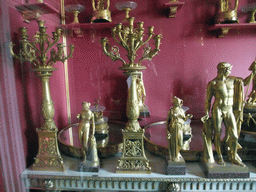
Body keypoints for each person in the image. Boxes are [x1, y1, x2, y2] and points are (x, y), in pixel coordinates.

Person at [202, 62, 245, 167]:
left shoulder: (233, 81)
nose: (230, 72)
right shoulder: (213, 83)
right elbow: (208, 100)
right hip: (218, 109)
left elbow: (246, 82)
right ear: (224, 70)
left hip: (229, 110)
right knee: (217, 133)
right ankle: (219, 156)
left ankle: (233, 156)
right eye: (229, 69)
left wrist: (253, 72)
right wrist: (206, 113)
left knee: (234, 135)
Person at [166, 96, 193, 162]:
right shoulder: (171, 111)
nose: (177, 103)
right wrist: (167, 130)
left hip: (180, 129)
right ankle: (174, 156)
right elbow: (168, 121)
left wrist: (188, 116)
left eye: (178, 102)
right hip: (173, 128)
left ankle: (178, 153)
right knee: (173, 143)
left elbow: (184, 119)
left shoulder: (181, 111)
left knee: (180, 142)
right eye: (176, 102)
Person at [77, 102, 99, 167]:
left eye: (85, 107)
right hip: (80, 126)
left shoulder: (91, 114)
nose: (84, 108)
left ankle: (89, 156)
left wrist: (93, 133)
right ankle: (84, 158)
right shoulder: (82, 112)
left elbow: (93, 124)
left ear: (88, 107)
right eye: (83, 107)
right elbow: (79, 119)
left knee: (85, 144)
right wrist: (78, 117)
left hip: (87, 127)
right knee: (81, 144)